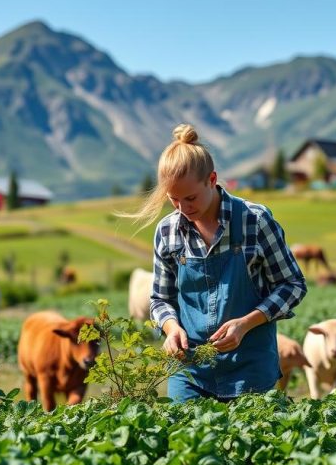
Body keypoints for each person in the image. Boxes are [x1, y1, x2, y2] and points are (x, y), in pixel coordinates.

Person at [125, 123, 307, 402]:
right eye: (173, 200)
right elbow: (160, 299)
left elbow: (292, 285)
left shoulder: (254, 221)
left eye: (190, 198)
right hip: (189, 372)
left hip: (250, 370)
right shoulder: (167, 231)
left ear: (212, 179)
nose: (183, 209)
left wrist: (246, 323)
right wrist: (171, 329)